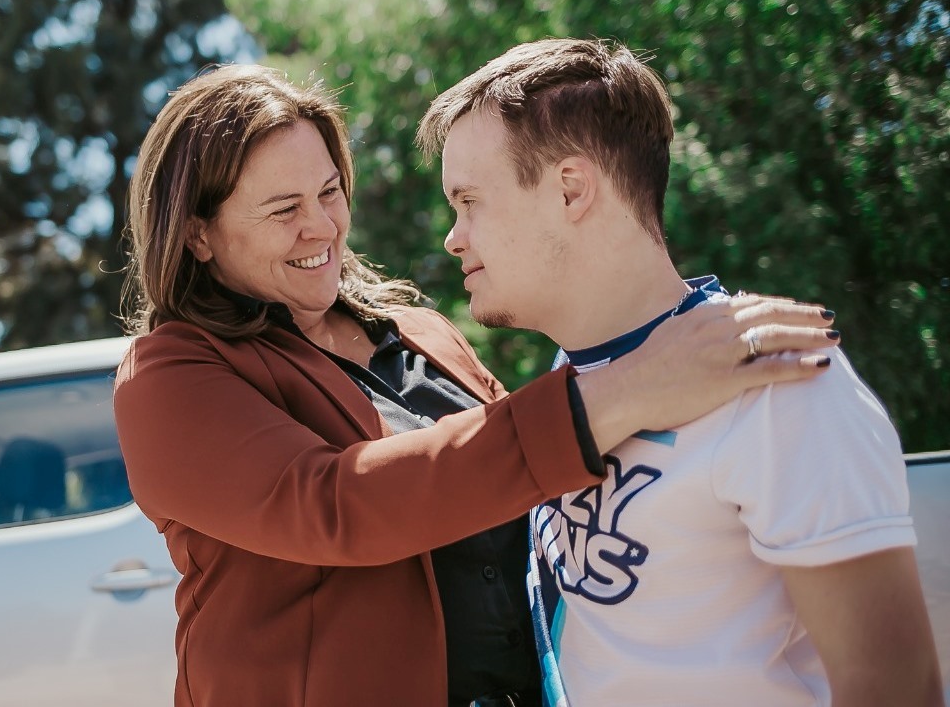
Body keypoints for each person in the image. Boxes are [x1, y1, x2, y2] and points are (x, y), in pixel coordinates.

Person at [112, 63, 841, 707]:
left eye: (330, 192)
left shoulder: (421, 331)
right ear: (197, 234)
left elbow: (540, 500)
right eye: (283, 210)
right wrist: (629, 389)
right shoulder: (169, 376)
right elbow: (338, 505)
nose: (322, 227)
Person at [416, 38, 944, 707]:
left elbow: (896, 686)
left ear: (570, 188)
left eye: (468, 201)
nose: (453, 237)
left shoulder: (779, 377)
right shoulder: (567, 381)